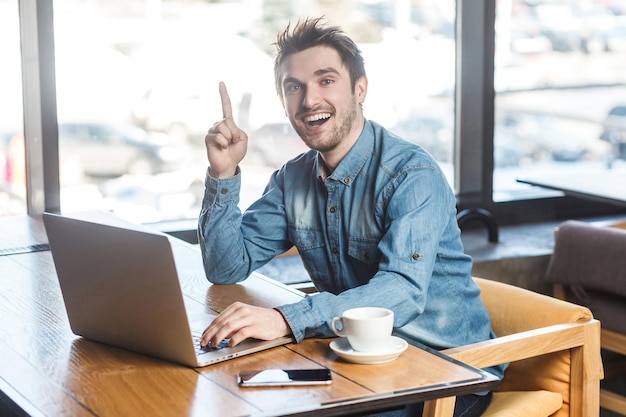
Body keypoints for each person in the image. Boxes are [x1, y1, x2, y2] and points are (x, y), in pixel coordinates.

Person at [199, 17, 505, 417]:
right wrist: (222, 174)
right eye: (294, 87)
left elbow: (402, 291)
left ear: (360, 88)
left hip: (447, 371)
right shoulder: (293, 178)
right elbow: (225, 266)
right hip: (356, 357)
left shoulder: (412, 175)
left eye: (326, 80)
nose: (309, 100)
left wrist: (284, 319)